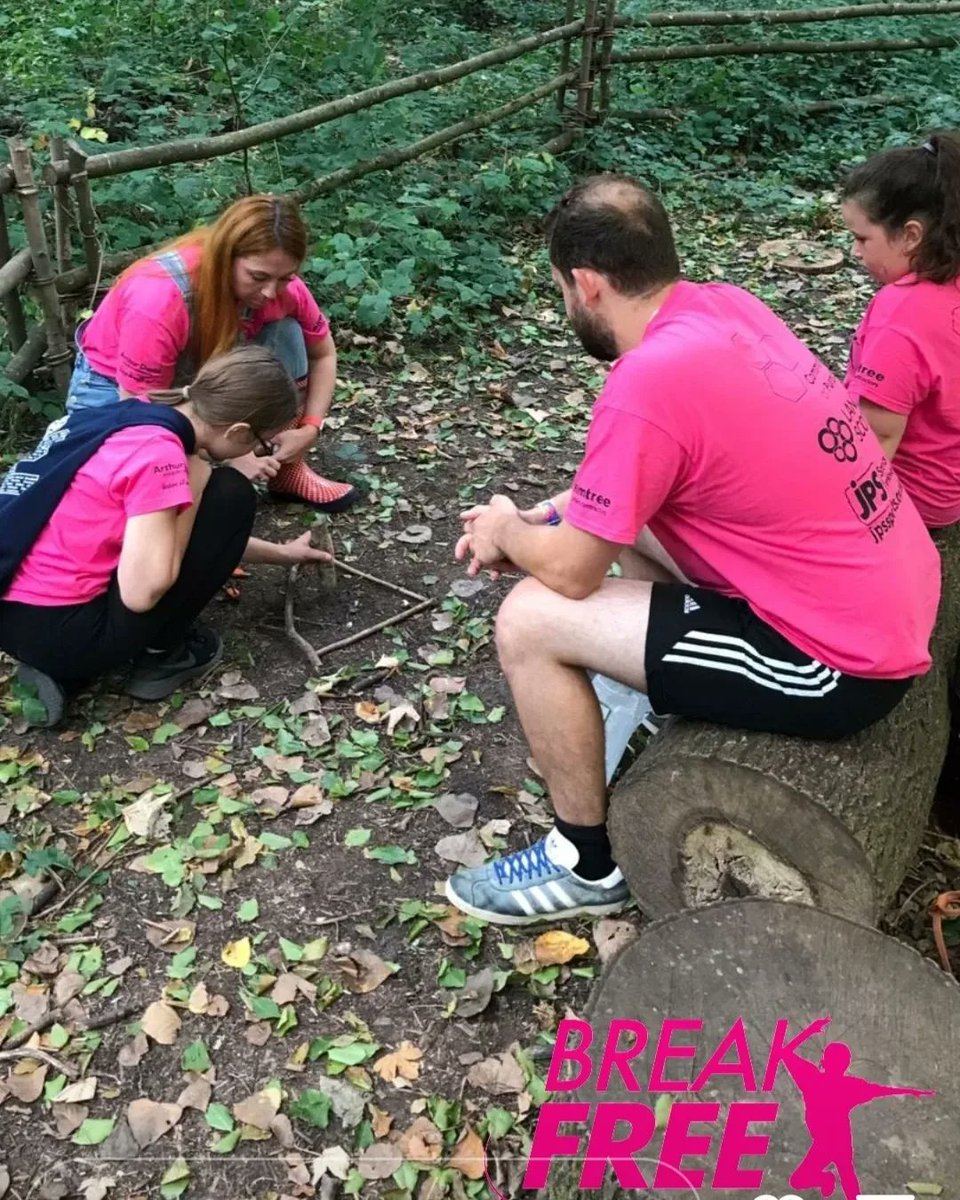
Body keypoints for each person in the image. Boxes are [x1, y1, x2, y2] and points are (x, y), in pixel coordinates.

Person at [445, 174, 940, 926]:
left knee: (529, 619)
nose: (566, 308)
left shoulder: (647, 379)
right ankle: (641, 699)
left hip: (838, 662)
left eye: (561, 293)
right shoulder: (720, 310)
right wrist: (542, 516)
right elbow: (634, 485)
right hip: (887, 592)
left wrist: (512, 531)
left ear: (587, 283)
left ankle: (584, 863)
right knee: (635, 528)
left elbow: (575, 569)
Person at [0, 345, 333, 728]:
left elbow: (165, 540)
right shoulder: (162, 455)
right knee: (230, 493)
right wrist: (193, 486)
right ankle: (160, 655)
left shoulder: (128, 414)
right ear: (238, 430)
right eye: (260, 443)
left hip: (12, 614)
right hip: (65, 630)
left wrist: (283, 554)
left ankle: (64, 671)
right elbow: (145, 591)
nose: (258, 455)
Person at [65, 193, 359, 513]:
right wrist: (233, 453)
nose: (270, 292)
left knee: (287, 332)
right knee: (129, 489)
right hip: (118, 389)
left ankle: (288, 469)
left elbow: (323, 354)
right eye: (258, 277)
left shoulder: (282, 289)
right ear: (225, 258)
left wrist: (310, 428)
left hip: (203, 374)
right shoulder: (158, 298)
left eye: (286, 278)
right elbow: (143, 411)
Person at [840, 130, 960, 528]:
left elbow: (877, 438)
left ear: (911, 234)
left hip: (909, 496)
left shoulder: (902, 314)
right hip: (948, 482)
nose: (855, 252)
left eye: (862, 239)